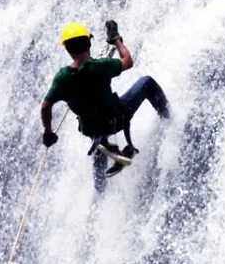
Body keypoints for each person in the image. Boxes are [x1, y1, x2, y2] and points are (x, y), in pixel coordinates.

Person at [40, 20, 170, 189]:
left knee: (99, 137)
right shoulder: (101, 66)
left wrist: (48, 132)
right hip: (116, 119)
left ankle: (99, 189)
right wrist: (116, 40)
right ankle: (170, 121)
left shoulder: (62, 78)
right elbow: (128, 61)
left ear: (67, 49)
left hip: (91, 129)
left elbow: (45, 106)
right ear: (89, 43)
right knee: (147, 82)